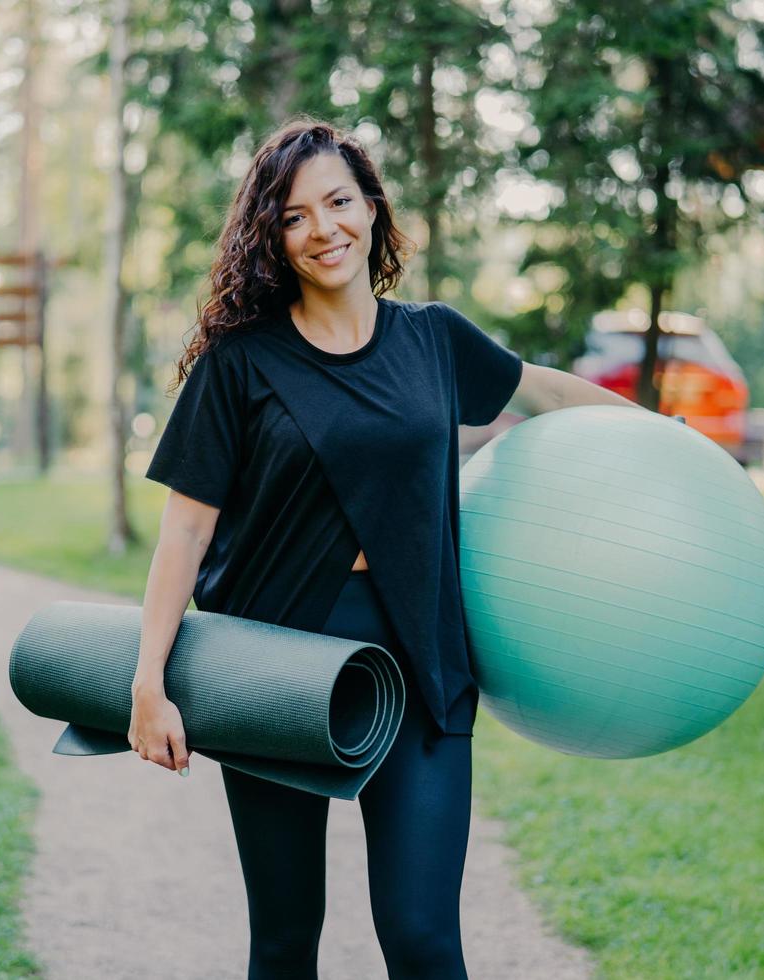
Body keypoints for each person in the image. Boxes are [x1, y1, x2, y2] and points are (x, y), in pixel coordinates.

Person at [130, 119, 644, 980]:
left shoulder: (433, 339)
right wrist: (149, 686)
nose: (322, 229)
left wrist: (671, 444)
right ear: (273, 236)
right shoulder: (239, 364)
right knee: (287, 938)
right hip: (273, 664)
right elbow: (185, 529)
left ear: (371, 208)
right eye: (294, 216)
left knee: (422, 937)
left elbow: (543, 389)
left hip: (419, 660)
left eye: (337, 202)